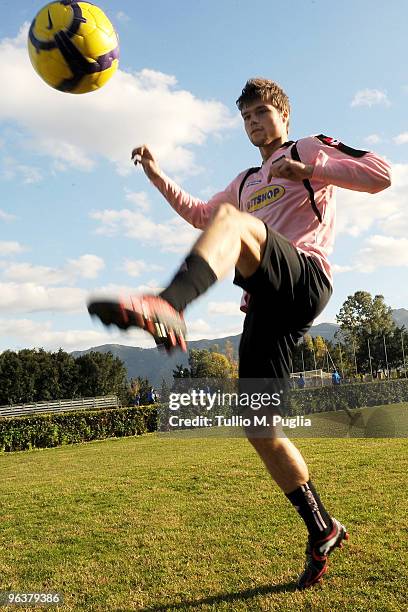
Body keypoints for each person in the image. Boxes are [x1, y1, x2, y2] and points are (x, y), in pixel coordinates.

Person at [88, 78, 391, 588]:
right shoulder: (246, 181)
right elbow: (202, 216)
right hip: (265, 308)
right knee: (259, 427)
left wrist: (314, 169)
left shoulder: (308, 147)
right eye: (246, 116)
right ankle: (322, 528)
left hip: (305, 278)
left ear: (283, 115)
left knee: (233, 222)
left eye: (260, 112)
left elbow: (379, 174)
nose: (252, 122)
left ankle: (169, 305)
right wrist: (158, 175)